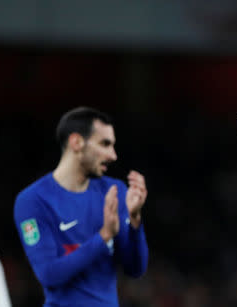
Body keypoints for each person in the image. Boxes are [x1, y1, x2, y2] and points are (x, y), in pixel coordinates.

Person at [14, 107, 149, 307]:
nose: (113, 155)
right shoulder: (33, 200)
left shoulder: (113, 192)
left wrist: (135, 220)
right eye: (105, 144)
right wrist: (103, 236)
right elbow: (49, 274)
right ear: (76, 142)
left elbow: (135, 269)